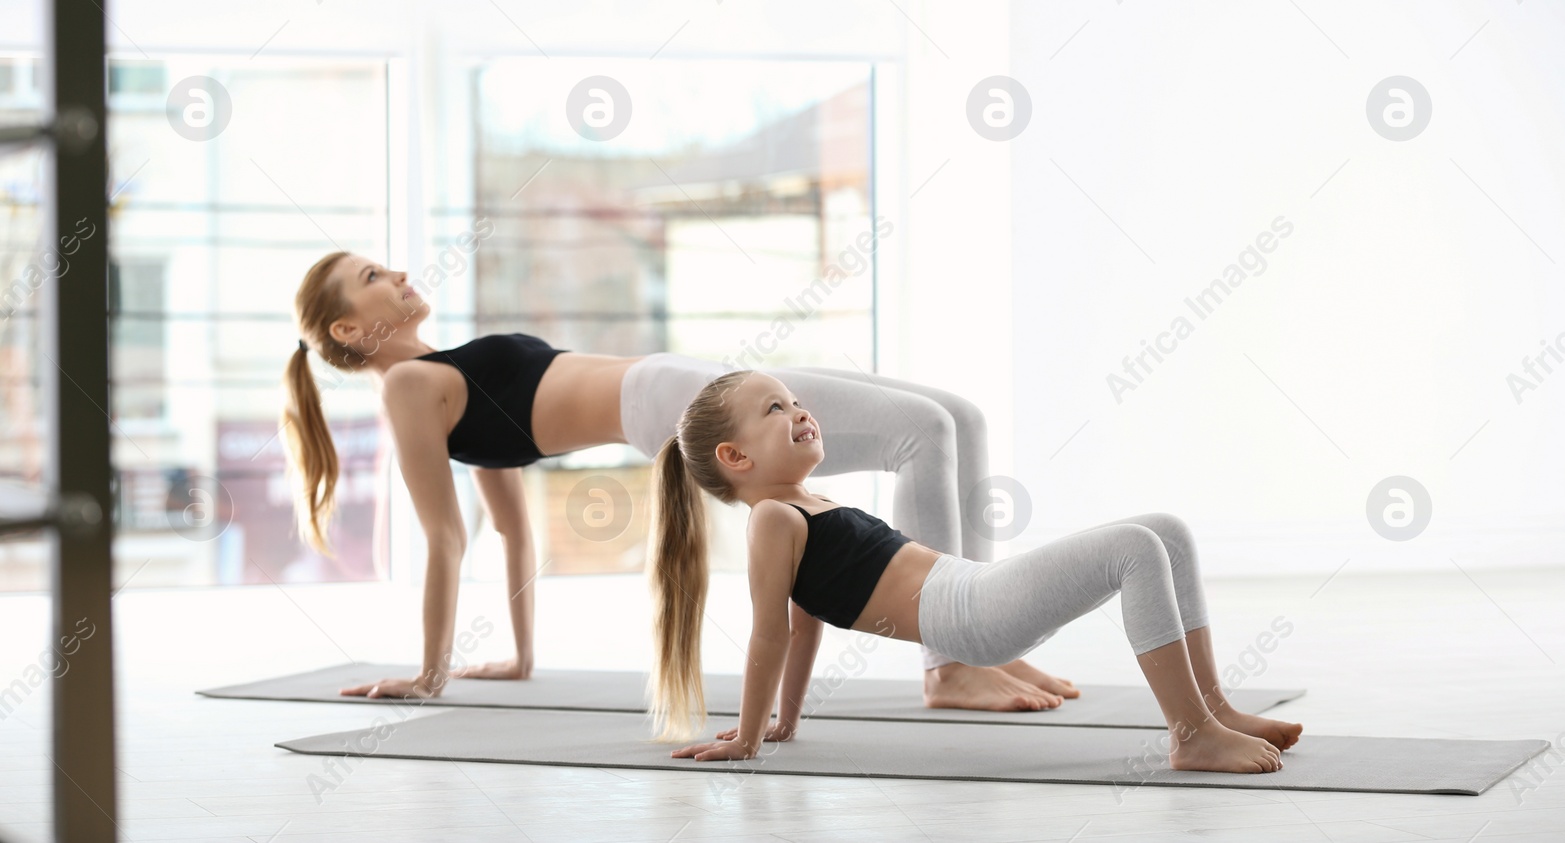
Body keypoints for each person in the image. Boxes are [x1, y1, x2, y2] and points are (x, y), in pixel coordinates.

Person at [281, 251, 1072, 709]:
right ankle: (951, 661)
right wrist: (430, 673)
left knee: (957, 416)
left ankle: (983, 638)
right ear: (350, 329)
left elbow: (518, 529)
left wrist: (520, 658)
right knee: (922, 433)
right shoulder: (410, 388)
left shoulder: (441, 376)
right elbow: (448, 536)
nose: (398, 273)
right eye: (373, 276)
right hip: (674, 399)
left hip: (678, 380)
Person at [648, 370, 1303, 773]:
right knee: (1134, 546)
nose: (799, 411)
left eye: (793, 400)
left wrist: (787, 718)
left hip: (971, 592)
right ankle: (1191, 735)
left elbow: (805, 617)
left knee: (1165, 530)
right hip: (970, 616)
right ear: (734, 455)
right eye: (774, 409)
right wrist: (754, 733)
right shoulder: (773, 519)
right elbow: (772, 633)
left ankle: (1213, 708)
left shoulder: (805, 505)